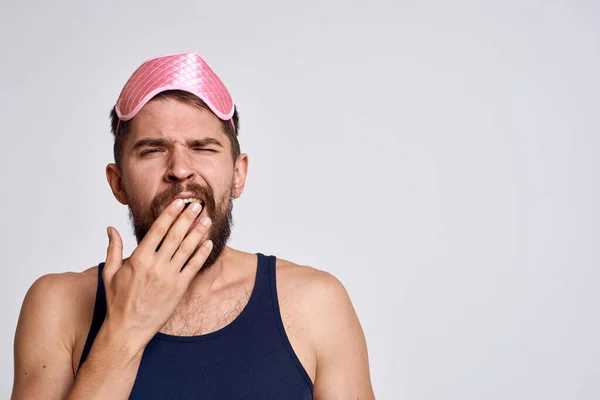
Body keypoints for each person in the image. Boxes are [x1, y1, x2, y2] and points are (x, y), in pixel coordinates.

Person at [11, 52, 375, 399]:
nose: (180, 169)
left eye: (203, 147)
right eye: (152, 150)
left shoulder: (317, 303)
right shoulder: (57, 305)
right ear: (118, 182)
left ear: (238, 174)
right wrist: (125, 332)